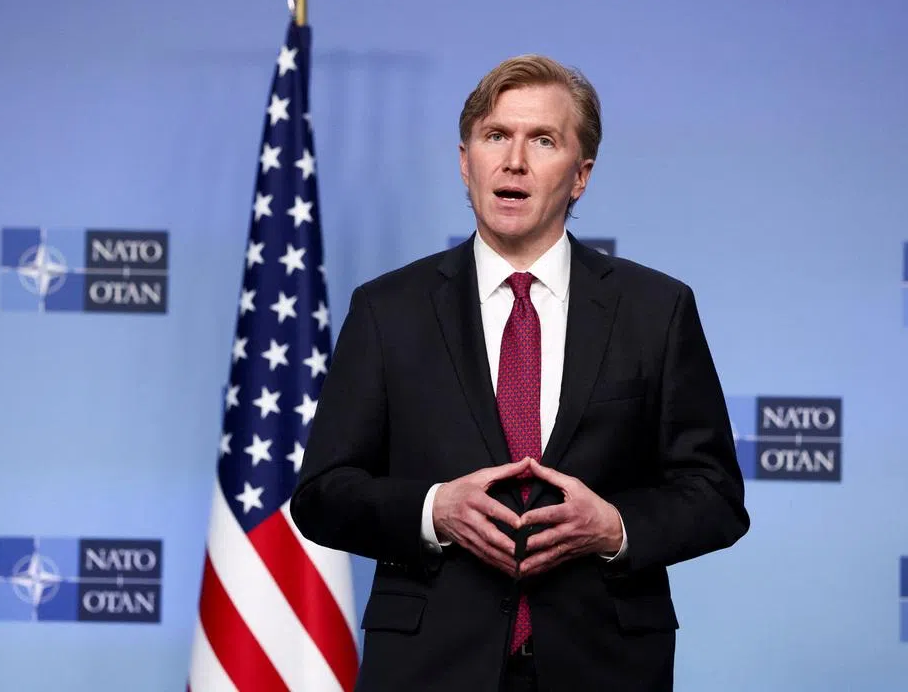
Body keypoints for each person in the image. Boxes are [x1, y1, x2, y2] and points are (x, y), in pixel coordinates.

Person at [290, 54, 749, 692]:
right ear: (464, 161)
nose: (514, 161)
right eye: (496, 136)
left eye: (543, 140)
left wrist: (614, 527)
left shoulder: (656, 310)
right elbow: (321, 494)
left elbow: (716, 496)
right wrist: (433, 509)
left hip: (604, 668)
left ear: (581, 175)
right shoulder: (387, 309)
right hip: (430, 669)